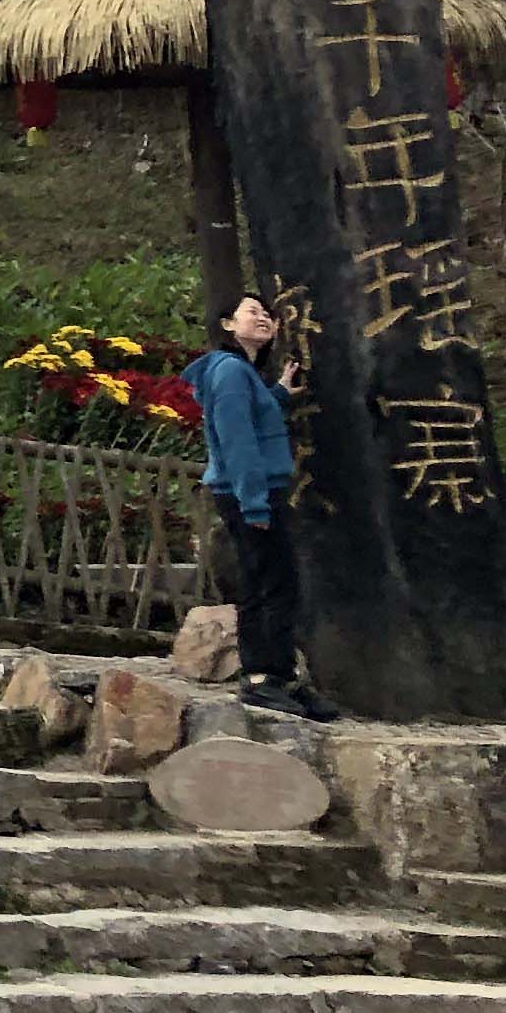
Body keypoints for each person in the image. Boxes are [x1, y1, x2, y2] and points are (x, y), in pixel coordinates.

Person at [186, 296, 327, 718]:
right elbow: (237, 441)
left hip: (256, 490)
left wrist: (279, 394)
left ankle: (278, 675)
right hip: (250, 492)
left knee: (275, 582)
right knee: (268, 585)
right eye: (251, 311)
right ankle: (263, 678)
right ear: (228, 323)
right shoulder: (229, 370)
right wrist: (254, 504)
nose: (263, 317)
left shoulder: (240, 372)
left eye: (267, 313)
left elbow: (253, 418)